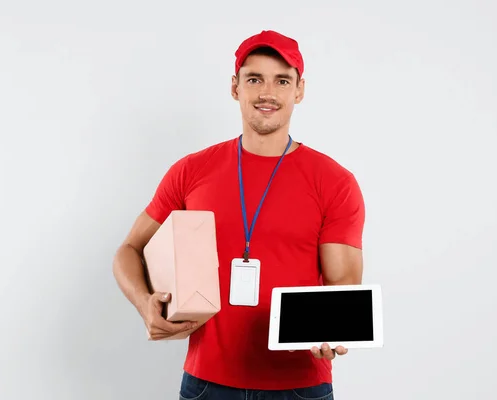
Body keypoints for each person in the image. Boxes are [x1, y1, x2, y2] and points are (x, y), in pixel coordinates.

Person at [113, 30, 366, 400]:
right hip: (206, 384)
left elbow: (343, 281)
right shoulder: (191, 170)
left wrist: (334, 329)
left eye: (282, 80)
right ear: (235, 88)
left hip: (299, 386)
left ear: (299, 91)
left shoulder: (334, 181)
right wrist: (143, 302)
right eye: (254, 79)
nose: (267, 92)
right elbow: (129, 250)